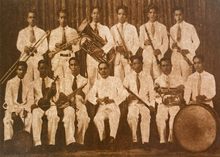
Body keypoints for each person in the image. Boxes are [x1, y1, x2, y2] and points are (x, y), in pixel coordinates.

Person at [87, 62, 127, 151]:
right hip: (102, 108)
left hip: (113, 106)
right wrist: (98, 99)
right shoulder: (97, 82)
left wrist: (113, 100)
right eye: (101, 69)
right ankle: (103, 139)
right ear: (98, 71)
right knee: (97, 118)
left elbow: (124, 93)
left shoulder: (116, 80)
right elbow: (89, 95)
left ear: (109, 69)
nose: (103, 71)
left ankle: (112, 139)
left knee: (114, 116)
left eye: (105, 68)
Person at [123, 55, 155, 151]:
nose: (136, 65)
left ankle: (145, 141)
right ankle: (134, 140)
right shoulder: (128, 77)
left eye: (138, 63)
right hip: (133, 103)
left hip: (144, 103)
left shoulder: (147, 77)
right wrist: (128, 96)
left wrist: (152, 105)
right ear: (131, 65)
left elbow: (152, 92)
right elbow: (123, 90)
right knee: (132, 116)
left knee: (146, 116)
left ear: (142, 64)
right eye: (134, 64)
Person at [58, 57, 90, 151]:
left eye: (75, 64)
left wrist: (82, 94)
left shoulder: (85, 80)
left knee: (84, 118)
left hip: (80, 103)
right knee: (69, 116)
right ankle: (70, 142)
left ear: (79, 66)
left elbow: (86, 97)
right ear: (69, 66)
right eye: (71, 65)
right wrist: (66, 100)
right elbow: (61, 94)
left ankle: (80, 142)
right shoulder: (64, 80)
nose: (73, 67)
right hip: (68, 104)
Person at [3, 61, 33, 152]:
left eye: (23, 70)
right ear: (16, 70)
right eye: (19, 70)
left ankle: (25, 143)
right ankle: (8, 143)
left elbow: (30, 99)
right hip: (13, 107)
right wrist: (12, 112)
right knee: (7, 120)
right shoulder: (10, 82)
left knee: (29, 118)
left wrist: (26, 110)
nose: (21, 72)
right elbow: (8, 99)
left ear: (26, 71)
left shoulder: (29, 83)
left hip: (23, 107)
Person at [154, 58, 184, 150]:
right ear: (160, 67)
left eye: (167, 65)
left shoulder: (179, 77)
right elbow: (155, 95)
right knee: (160, 117)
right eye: (163, 65)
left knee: (174, 117)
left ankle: (171, 141)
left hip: (175, 103)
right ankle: (162, 141)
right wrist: (162, 101)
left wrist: (181, 88)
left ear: (171, 66)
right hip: (163, 103)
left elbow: (183, 90)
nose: (166, 67)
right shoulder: (158, 80)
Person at [31, 60, 59, 153]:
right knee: (35, 116)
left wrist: (54, 91)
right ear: (38, 69)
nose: (43, 70)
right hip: (38, 105)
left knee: (54, 116)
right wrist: (36, 104)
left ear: (48, 69)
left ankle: (51, 143)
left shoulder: (52, 82)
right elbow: (31, 97)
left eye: (45, 68)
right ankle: (37, 143)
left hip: (50, 104)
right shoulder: (33, 83)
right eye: (41, 68)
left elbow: (56, 98)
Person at [170, 6, 200, 81]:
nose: (178, 17)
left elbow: (197, 41)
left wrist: (188, 50)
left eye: (180, 14)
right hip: (176, 57)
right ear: (174, 16)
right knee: (176, 80)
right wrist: (172, 46)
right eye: (176, 15)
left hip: (186, 57)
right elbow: (170, 44)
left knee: (187, 79)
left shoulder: (190, 27)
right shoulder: (172, 29)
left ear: (183, 15)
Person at [16, 9, 48, 81]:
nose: (32, 19)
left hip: (37, 58)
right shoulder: (22, 32)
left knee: (39, 79)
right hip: (26, 58)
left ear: (36, 19)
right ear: (27, 19)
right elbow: (18, 45)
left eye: (34, 17)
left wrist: (37, 50)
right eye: (30, 17)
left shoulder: (41, 32)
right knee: (26, 79)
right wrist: (24, 48)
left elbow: (45, 47)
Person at [110, 5, 139, 82]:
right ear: (117, 15)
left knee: (130, 79)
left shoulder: (132, 28)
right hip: (118, 58)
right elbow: (111, 43)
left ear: (126, 16)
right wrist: (116, 47)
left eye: (123, 14)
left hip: (128, 58)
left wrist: (130, 52)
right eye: (119, 14)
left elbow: (136, 43)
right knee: (118, 80)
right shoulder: (113, 29)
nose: (121, 16)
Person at [87, 6, 114, 88]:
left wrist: (102, 50)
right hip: (91, 57)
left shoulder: (105, 28)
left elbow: (111, 42)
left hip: (101, 56)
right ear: (91, 15)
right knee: (91, 78)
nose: (96, 15)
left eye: (98, 13)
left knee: (102, 79)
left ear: (100, 15)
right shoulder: (87, 27)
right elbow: (83, 41)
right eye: (94, 13)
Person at [139, 5, 168, 80]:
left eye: (154, 13)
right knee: (147, 77)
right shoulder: (143, 27)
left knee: (158, 76)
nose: (152, 14)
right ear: (147, 15)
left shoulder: (162, 27)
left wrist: (160, 50)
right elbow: (139, 42)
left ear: (157, 14)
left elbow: (166, 43)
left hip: (158, 56)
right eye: (150, 13)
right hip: (147, 55)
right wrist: (144, 43)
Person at [49, 9, 80, 79]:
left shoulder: (73, 31)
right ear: (58, 19)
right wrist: (56, 45)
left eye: (65, 17)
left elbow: (78, 46)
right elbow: (50, 47)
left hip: (69, 58)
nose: (63, 20)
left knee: (69, 80)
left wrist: (71, 47)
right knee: (58, 81)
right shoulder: (54, 32)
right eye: (61, 17)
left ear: (68, 18)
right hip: (58, 59)